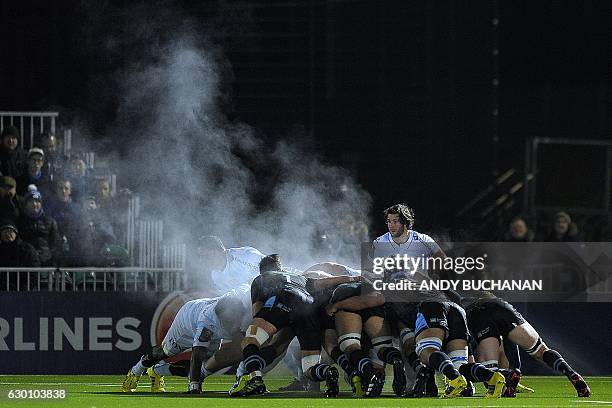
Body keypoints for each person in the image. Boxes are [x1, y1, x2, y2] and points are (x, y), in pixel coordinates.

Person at [229, 254, 357, 398]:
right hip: (309, 308)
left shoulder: (260, 279)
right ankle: (327, 372)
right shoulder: (299, 277)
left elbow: (257, 313)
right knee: (309, 367)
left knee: (251, 338)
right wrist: (354, 279)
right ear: (280, 268)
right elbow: (326, 282)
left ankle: (255, 379)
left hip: (284, 299)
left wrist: (267, 334)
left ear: (262, 270)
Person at [122, 285, 252, 393]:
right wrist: (194, 386)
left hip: (211, 324)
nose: (234, 325)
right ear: (221, 319)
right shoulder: (207, 322)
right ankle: (136, 371)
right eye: (229, 321)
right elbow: (197, 354)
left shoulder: (244, 306)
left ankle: (156, 371)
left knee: (206, 366)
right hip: (187, 321)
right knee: (166, 351)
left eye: (236, 318)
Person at [462, 292, 591, 397]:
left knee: (491, 377)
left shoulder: (453, 305)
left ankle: (507, 376)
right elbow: (510, 341)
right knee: (541, 350)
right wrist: (516, 369)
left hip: (476, 313)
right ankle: (571, 373)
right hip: (500, 305)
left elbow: (466, 352)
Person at [372, 204, 446, 277]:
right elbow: (374, 272)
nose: (391, 225)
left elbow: (444, 260)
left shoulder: (424, 240)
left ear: (405, 222)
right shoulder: (379, 243)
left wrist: (436, 275)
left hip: (419, 287)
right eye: (389, 221)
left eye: (395, 221)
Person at [194, 235, 265, 296]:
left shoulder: (245, 255)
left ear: (220, 250)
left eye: (206, 256)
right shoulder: (215, 275)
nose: (202, 261)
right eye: (200, 257)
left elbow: (272, 264)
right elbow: (231, 297)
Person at [16, 189, 61, 266]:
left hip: (47, 262)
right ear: (26, 204)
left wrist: (49, 255)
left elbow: (56, 243)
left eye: (37, 201)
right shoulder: (20, 222)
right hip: (26, 263)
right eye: (31, 201)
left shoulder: (50, 222)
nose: (34, 204)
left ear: (41, 204)